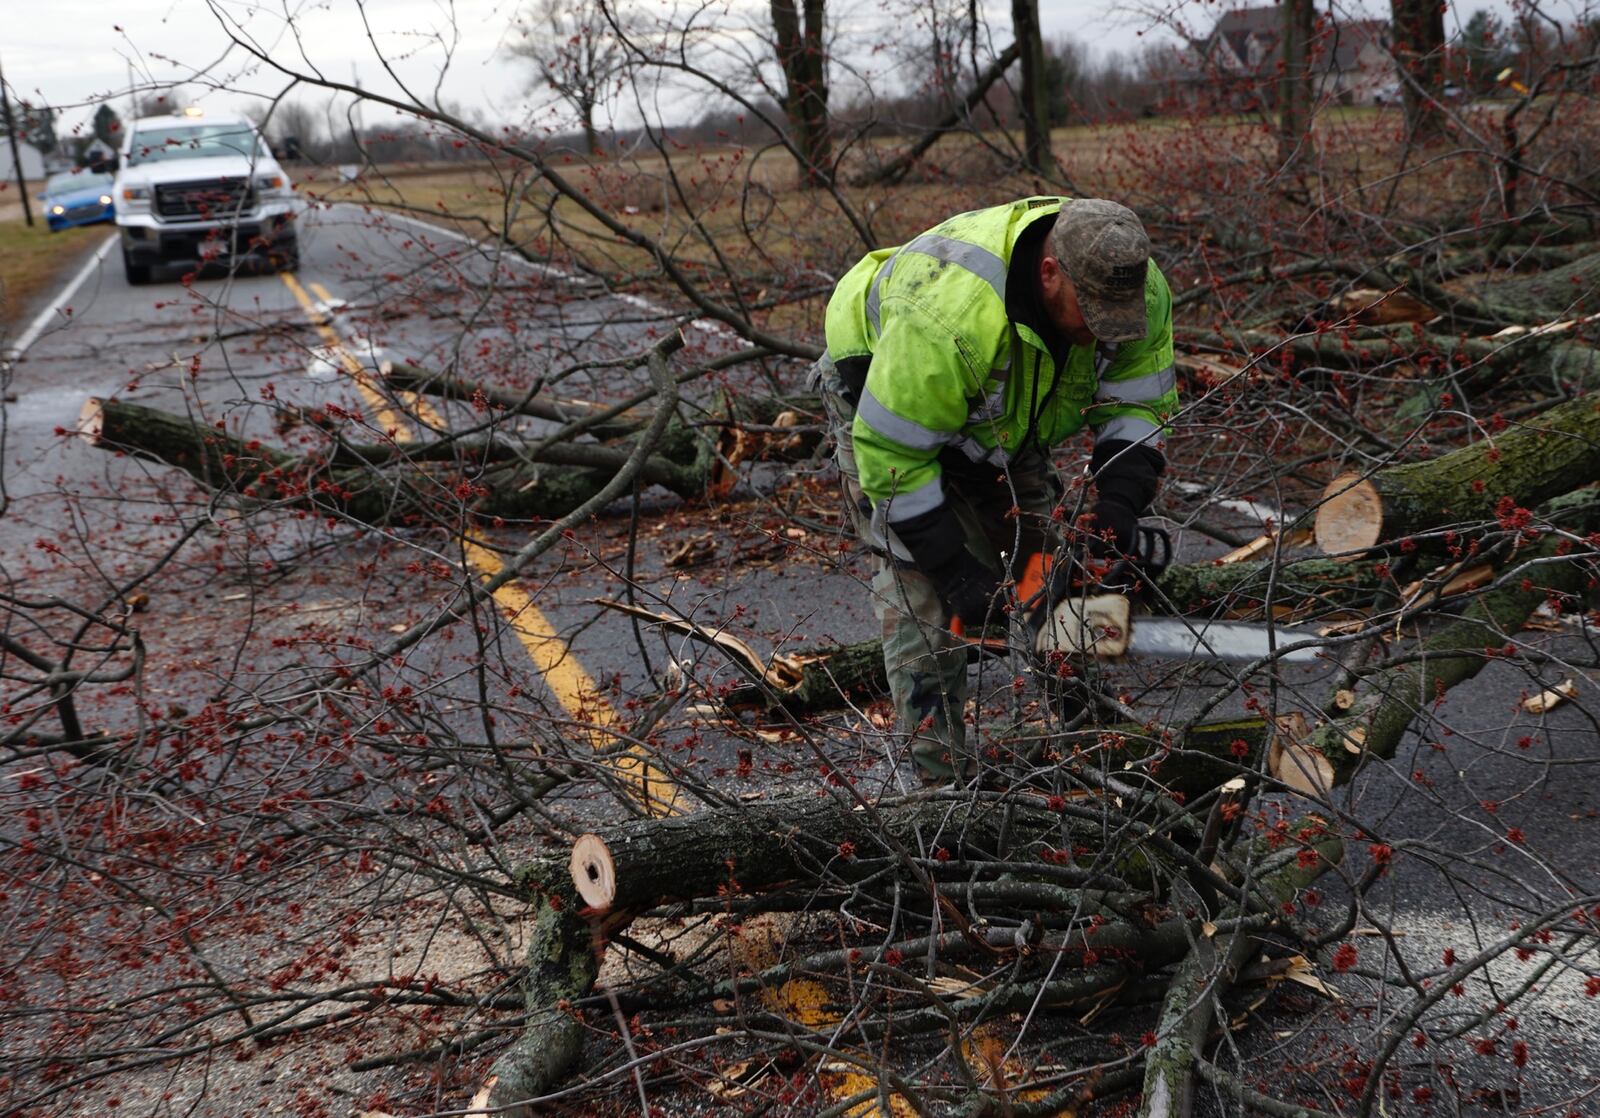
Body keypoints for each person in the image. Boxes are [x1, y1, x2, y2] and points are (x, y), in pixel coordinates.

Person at [812, 196, 1177, 783]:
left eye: (1117, 315)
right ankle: (938, 787)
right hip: (886, 395)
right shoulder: (948, 316)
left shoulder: (1134, 287)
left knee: (1049, 558)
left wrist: (1117, 515)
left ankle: (1090, 730)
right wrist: (955, 568)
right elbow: (895, 455)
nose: (1101, 331)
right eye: (1093, 314)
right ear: (1050, 273)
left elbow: (1139, 407)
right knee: (922, 593)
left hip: (1006, 411)